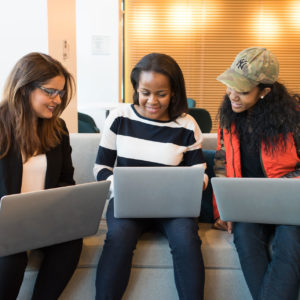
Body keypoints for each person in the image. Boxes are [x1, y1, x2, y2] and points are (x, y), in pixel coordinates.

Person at [94, 53, 208, 300]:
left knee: (186, 240)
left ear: (174, 92)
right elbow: (101, 167)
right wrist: (119, 186)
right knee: (118, 238)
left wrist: (197, 182)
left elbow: (199, 171)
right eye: (145, 92)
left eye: (161, 94)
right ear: (136, 89)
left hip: (173, 207)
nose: (152, 101)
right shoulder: (119, 117)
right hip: (128, 204)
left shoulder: (187, 125)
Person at [213, 47, 300, 300]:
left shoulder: (293, 118)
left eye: (242, 90)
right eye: (230, 86)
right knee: (244, 235)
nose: (232, 95)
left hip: (290, 204)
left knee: (291, 241)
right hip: (248, 207)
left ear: (264, 92)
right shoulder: (228, 117)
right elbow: (222, 164)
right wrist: (223, 211)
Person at [0, 52, 83, 300]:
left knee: (71, 243)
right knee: (11, 257)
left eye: (61, 93)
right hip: (5, 225)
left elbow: (66, 180)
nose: (57, 100)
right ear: (24, 88)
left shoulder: (57, 130)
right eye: (50, 91)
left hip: (41, 221)